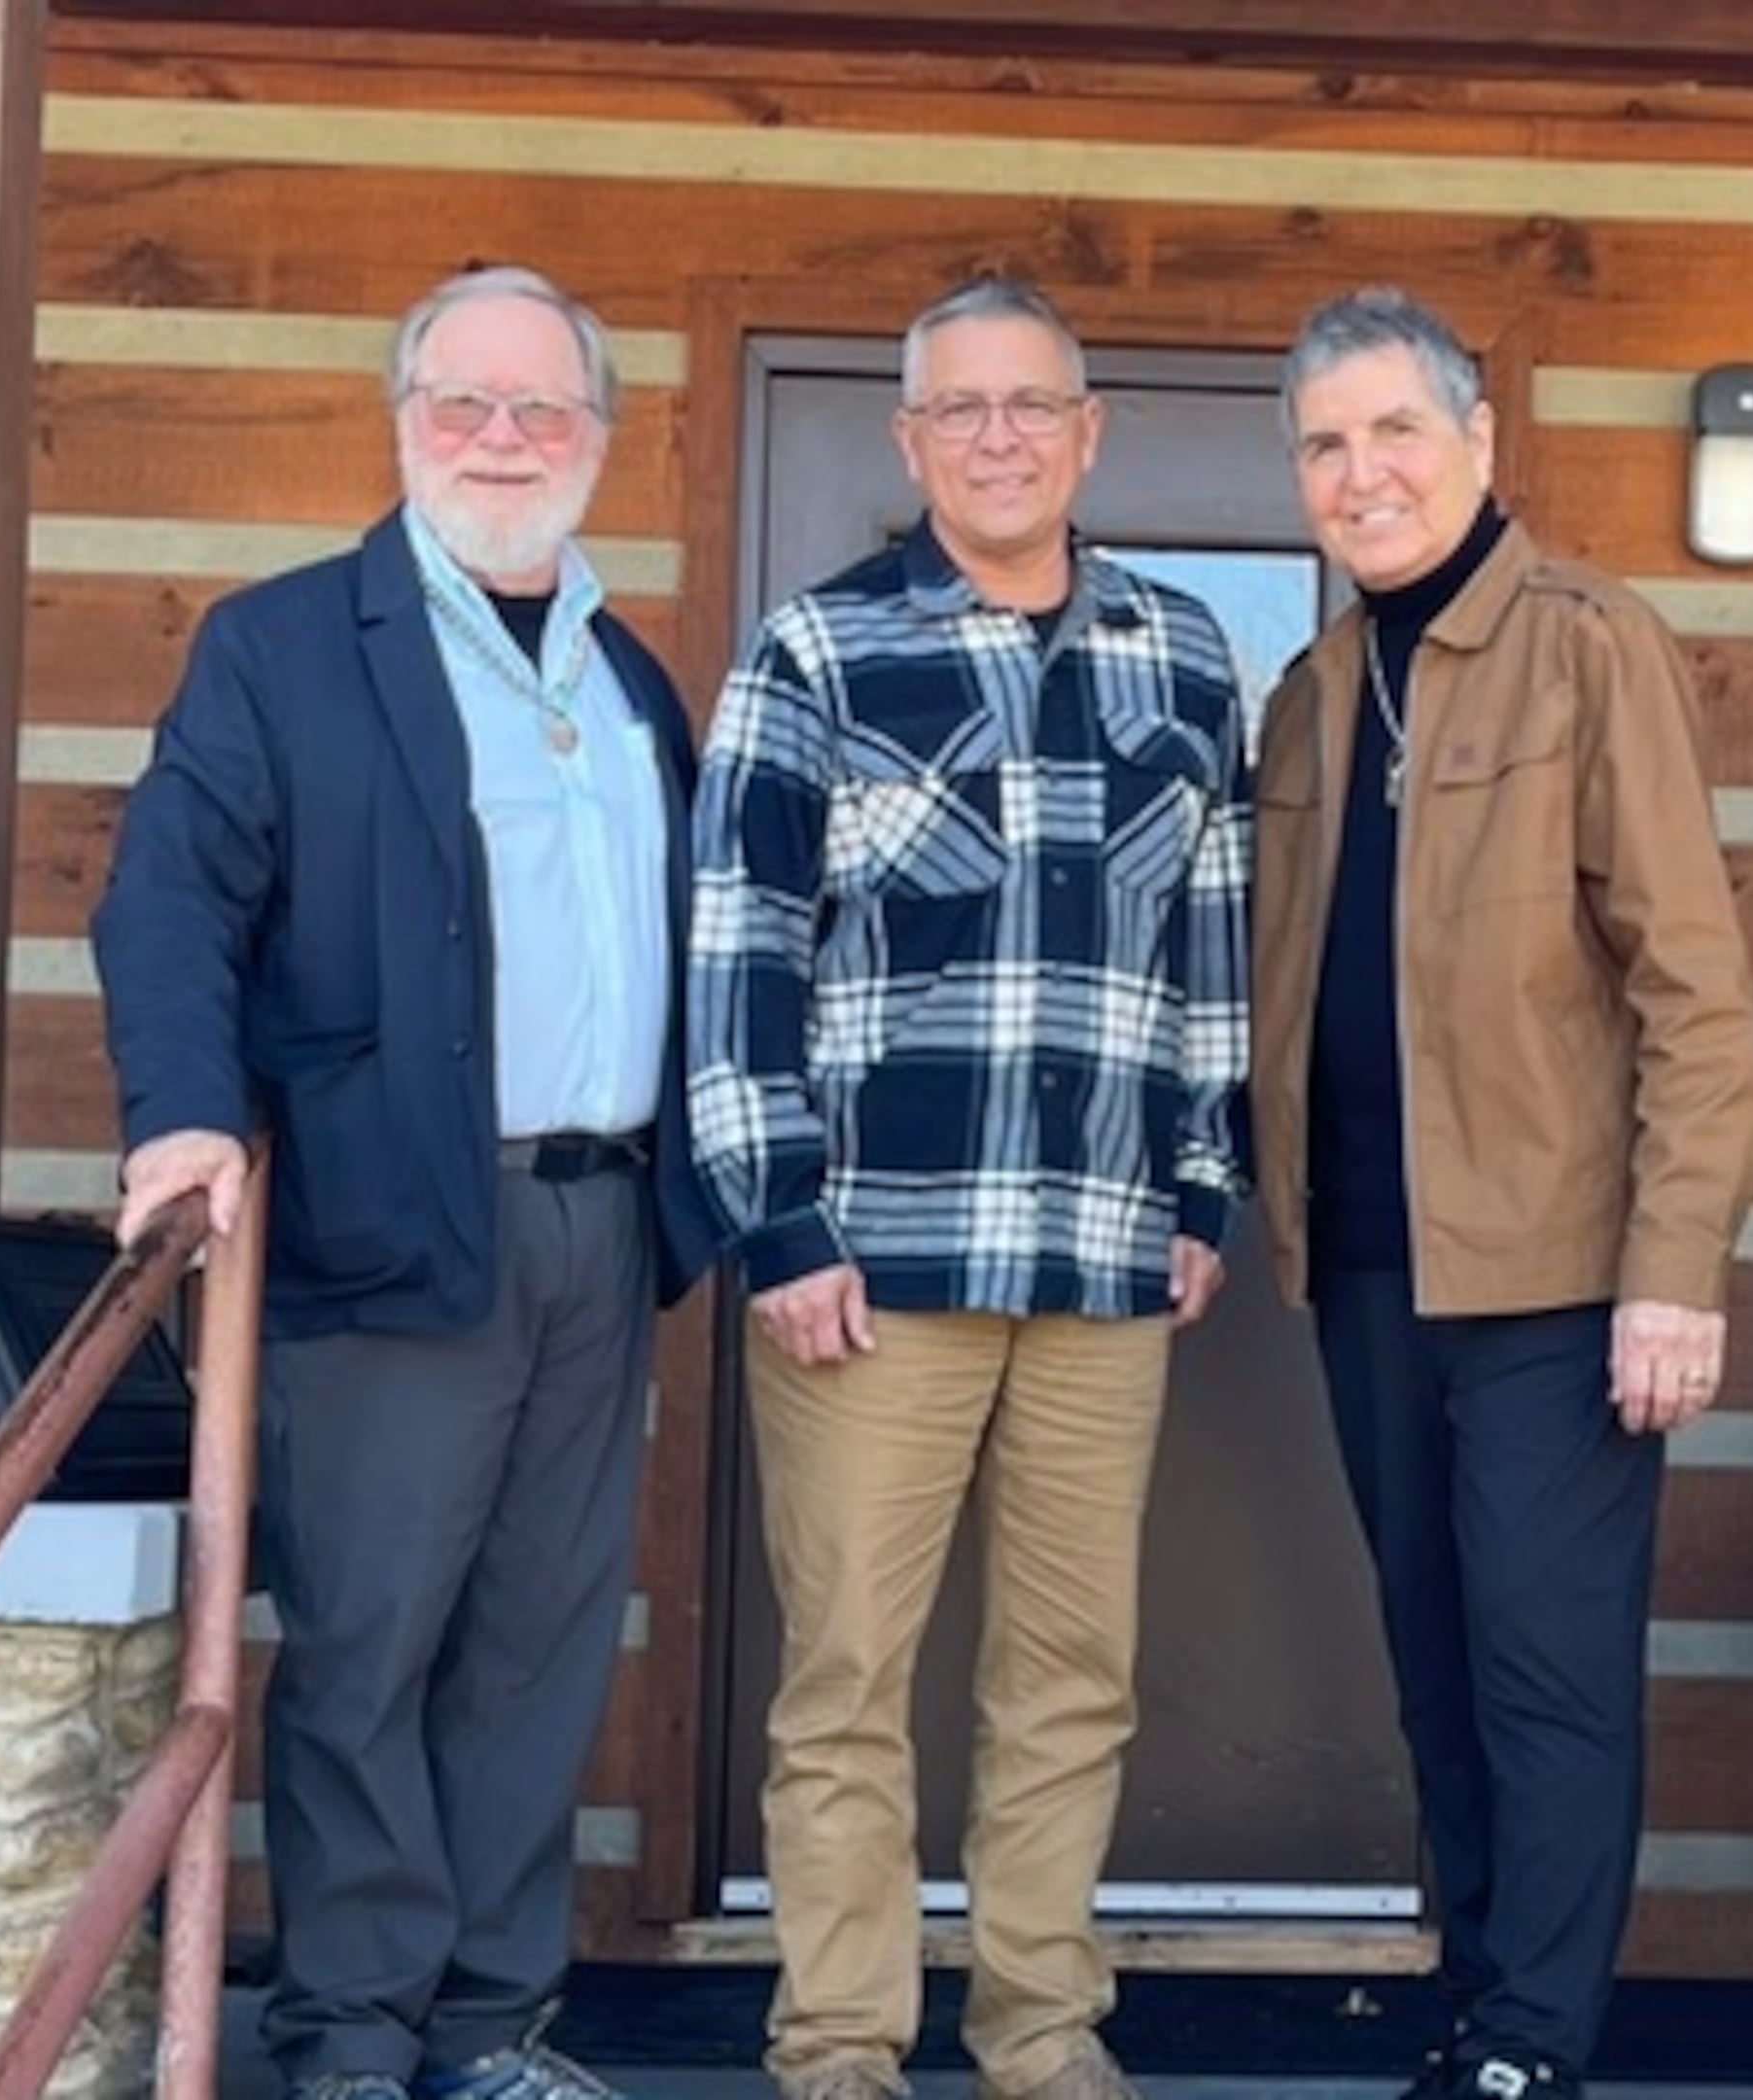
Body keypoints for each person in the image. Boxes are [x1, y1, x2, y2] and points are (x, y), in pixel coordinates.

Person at [92, 263, 721, 2100]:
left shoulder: (625, 677)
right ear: (402, 423)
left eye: (542, 408)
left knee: (537, 1649)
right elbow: (172, 898)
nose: (501, 439)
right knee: (370, 1649)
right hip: (391, 1218)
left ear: (598, 440)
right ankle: (354, 2040)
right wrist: (183, 1115)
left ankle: (486, 2032)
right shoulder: (285, 648)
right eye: (464, 403)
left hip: (603, 1226)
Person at [687, 277, 1253, 2100]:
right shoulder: (817, 653)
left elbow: (1213, 951)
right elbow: (740, 953)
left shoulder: (1185, 656)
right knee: (847, 1681)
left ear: (1090, 434)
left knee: (1074, 1676)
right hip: (869, 1266)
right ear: (909, 439)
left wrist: (1205, 1186)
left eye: (1032, 406)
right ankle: (840, 2045)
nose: (999, 438)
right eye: (961, 408)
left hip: (1104, 1260)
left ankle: (1040, 2033)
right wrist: (776, 1216)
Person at [1248, 288, 1753, 2100]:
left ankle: (1536, 2046)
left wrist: (1674, 1267)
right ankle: (1482, 2011)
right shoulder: (1314, 696)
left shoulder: (1588, 646)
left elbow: (1694, 989)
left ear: (1479, 441)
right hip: (1368, 1268)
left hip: (1558, 1279)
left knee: (1546, 1674)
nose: (1362, 473)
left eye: (1396, 431)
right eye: (1326, 445)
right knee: (1438, 1673)